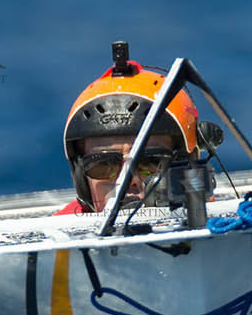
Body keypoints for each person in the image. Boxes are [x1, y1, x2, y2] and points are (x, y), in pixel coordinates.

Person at [56, 42, 200, 215]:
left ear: (187, 167)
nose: (128, 181)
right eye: (104, 165)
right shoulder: (56, 229)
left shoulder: (220, 222)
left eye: (151, 163)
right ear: (81, 181)